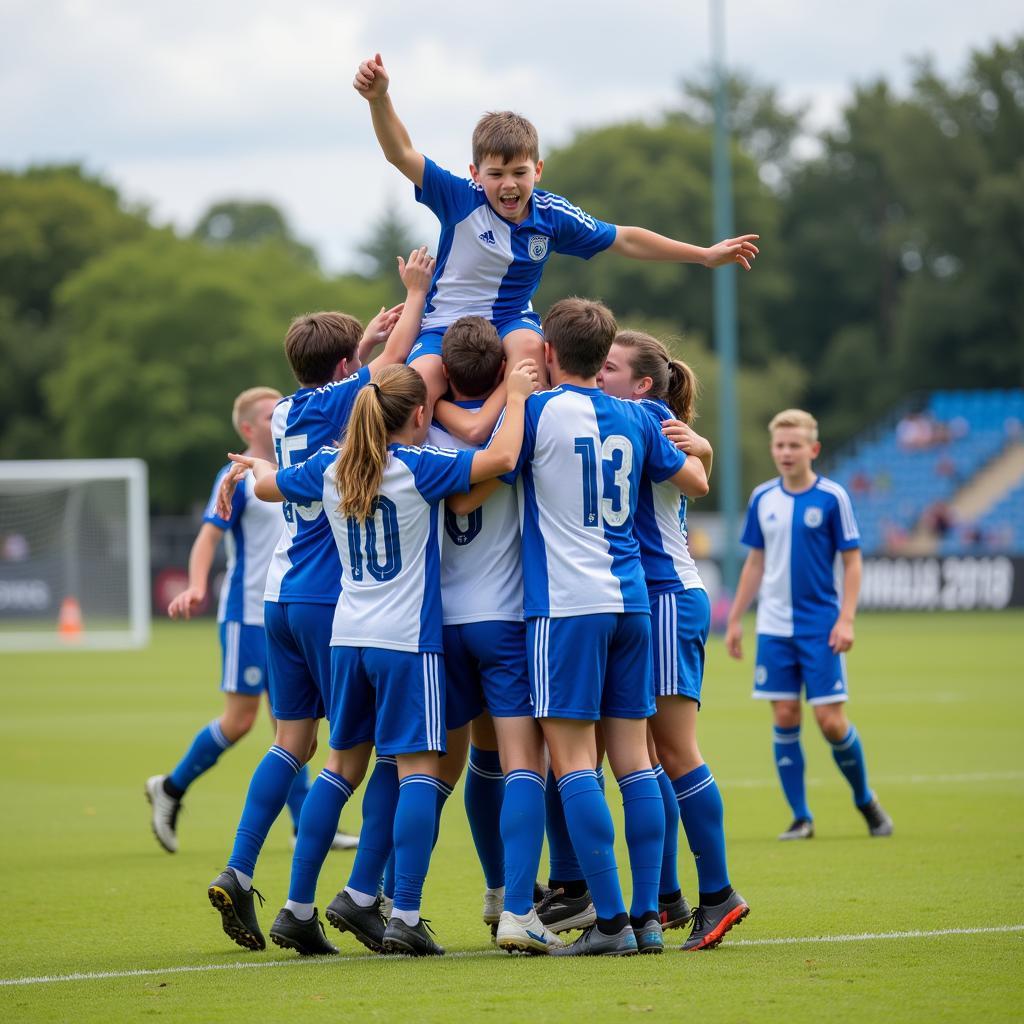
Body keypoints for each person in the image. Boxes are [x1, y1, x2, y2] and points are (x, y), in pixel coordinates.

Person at [228, 360, 538, 957]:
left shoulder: (329, 467)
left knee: (340, 769)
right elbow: (499, 461)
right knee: (418, 771)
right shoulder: (417, 468)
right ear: (419, 415)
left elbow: (268, 487)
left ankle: (296, 908)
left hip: (348, 638)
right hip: (405, 643)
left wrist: (255, 468)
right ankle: (407, 914)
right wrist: (519, 396)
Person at [206, 250, 434, 953]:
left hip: (277, 593)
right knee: (368, 757)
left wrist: (353, 345)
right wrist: (416, 294)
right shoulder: (351, 401)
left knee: (291, 743)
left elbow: (346, 381)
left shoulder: (280, 416)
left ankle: (241, 870)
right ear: (343, 372)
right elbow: (391, 371)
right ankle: (368, 895)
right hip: (331, 601)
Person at [352, 52, 759, 408]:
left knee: (532, 358)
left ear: (538, 170)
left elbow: (626, 238)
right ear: (476, 174)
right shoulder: (459, 198)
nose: (508, 184)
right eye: (495, 174)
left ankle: (521, 463)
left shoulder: (552, 216)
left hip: (511, 319)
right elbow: (400, 153)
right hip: (445, 323)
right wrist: (380, 99)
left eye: (519, 173)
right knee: (416, 389)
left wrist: (703, 254)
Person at [497, 297, 708, 956]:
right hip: (633, 603)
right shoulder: (640, 415)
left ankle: (611, 923)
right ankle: (647, 919)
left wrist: (510, 390)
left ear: (551, 356)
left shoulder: (535, 411)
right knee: (634, 763)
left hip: (566, 606)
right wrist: (699, 443)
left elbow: (494, 459)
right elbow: (694, 478)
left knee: (572, 762)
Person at [597, 330, 749, 950]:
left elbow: (696, 480)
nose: (598, 374)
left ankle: (717, 893)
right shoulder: (627, 412)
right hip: (653, 597)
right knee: (651, 754)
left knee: (675, 750)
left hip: (663, 596)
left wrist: (704, 453)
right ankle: (667, 894)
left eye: (610, 367)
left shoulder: (646, 416)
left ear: (642, 384)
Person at [146, 387, 314, 854]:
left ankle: (304, 826)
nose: (278, 415)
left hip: (286, 612)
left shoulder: (297, 465)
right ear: (247, 428)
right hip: (247, 615)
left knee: (290, 721)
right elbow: (207, 537)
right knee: (240, 721)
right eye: (267, 413)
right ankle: (171, 788)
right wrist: (197, 584)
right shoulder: (237, 474)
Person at [725, 409, 893, 841]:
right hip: (775, 627)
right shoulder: (763, 498)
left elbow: (852, 563)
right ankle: (801, 817)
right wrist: (736, 618)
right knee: (783, 714)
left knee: (831, 722)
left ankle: (865, 799)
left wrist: (847, 619)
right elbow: (755, 562)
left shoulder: (833, 497)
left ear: (812, 450)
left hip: (821, 626)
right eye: (780, 445)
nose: (786, 452)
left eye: (794, 445)